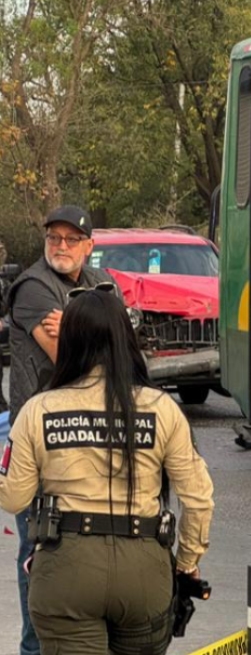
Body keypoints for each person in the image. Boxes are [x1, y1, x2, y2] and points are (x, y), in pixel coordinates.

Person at [0, 289, 214, 654]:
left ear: (69, 341)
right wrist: (187, 562)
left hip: (65, 569)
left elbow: (14, 497)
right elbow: (198, 501)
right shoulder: (162, 409)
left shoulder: (38, 410)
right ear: (125, 340)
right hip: (144, 572)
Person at [5, 205, 116, 655]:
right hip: (37, 439)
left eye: (72, 240)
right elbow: (73, 363)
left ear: (89, 246)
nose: (62, 247)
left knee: (87, 541)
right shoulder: (33, 287)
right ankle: (35, 648)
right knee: (37, 542)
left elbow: (128, 349)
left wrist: (70, 325)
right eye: (55, 239)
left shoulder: (98, 284)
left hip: (91, 435)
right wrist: (95, 336)